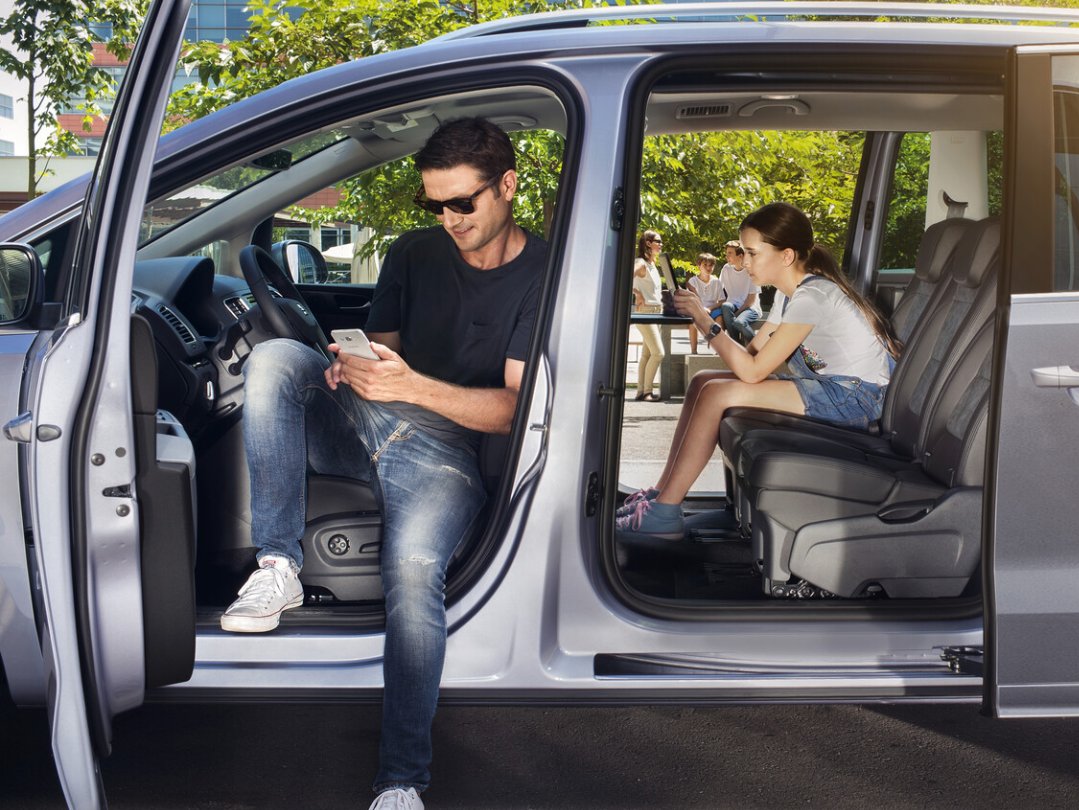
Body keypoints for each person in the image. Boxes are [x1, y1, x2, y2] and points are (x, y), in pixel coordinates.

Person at [219, 116, 545, 810]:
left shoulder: (542, 273)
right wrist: (351, 370)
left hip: (451, 456)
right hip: (375, 421)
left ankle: (400, 782)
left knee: (413, 575)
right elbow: (381, 350)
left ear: (507, 187)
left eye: (464, 203)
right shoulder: (413, 254)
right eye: (436, 205)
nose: (449, 219)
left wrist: (410, 387)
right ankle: (279, 566)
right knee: (278, 359)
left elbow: (514, 409)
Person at [616, 202, 899, 539]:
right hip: (830, 388)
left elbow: (751, 372)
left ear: (786, 256)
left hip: (857, 398)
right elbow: (751, 353)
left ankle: (664, 513)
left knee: (719, 391)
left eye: (751, 253)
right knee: (704, 381)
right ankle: (660, 496)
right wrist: (705, 318)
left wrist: (705, 321)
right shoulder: (787, 294)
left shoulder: (813, 296)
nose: (744, 262)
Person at [632, 230, 666, 401]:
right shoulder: (641, 263)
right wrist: (636, 293)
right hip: (645, 313)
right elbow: (625, 276)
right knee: (658, 353)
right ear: (648, 243)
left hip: (656, 313)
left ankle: (640, 391)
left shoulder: (652, 265)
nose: (661, 244)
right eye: (657, 241)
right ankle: (647, 392)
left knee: (647, 355)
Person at [716, 240, 762, 343]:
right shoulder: (726, 269)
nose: (726, 256)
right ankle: (737, 345)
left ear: (740, 256)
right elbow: (718, 290)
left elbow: (751, 300)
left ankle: (757, 347)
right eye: (726, 253)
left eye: (730, 253)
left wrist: (736, 314)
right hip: (732, 307)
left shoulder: (752, 272)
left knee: (739, 323)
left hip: (750, 308)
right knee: (726, 306)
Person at [686, 252, 723, 352]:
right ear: (699, 266)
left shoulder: (716, 282)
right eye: (705, 265)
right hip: (697, 309)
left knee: (719, 318)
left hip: (712, 309)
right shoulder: (693, 281)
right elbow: (691, 299)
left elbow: (722, 300)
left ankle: (718, 350)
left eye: (711, 265)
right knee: (693, 321)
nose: (708, 268)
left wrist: (710, 308)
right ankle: (694, 351)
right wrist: (701, 308)